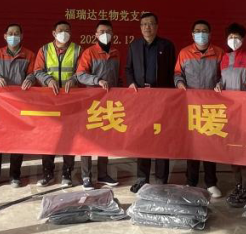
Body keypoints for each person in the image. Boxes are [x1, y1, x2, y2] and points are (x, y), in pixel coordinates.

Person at [125, 12, 176, 192]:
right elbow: (128, 69)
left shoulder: (167, 46)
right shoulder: (134, 46)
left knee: (162, 138)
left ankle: (161, 179)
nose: (147, 27)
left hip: (162, 99)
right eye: (144, 24)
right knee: (143, 138)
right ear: (140, 27)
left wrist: (170, 96)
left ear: (157, 26)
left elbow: (173, 71)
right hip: (141, 100)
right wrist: (131, 83)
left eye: (151, 23)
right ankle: (142, 178)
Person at [174, 20, 224, 198]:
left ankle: (211, 182)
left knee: (210, 144)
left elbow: (224, 75)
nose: (201, 33)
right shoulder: (184, 53)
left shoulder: (218, 53)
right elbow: (177, 73)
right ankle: (191, 181)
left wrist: (220, 84)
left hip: (212, 106)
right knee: (193, 144)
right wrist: (179, 83)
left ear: (210, 34)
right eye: (197, 31)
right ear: (192, 34)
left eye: (204, 30)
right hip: (192, 105)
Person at [73, 20, 122, 188]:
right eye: (101, 31)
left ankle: (102, 174)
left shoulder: (116, 53)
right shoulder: (89, 52)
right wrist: (97, 80)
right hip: (91, 103)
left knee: (104, 139)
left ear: (113, 34)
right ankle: (86, 176)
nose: (105, 34)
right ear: (95, 34)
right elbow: (80, 75)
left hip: (109, 104)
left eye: (108, 31)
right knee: (87, 140)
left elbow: (118, 77)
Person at [31, 21, 80, 187]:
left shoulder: (77, 49)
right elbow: (37, 71)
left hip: (70, 101)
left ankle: (67, 173)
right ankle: (48, 174)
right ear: (54, 33)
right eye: (60, 30)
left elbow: (82, 71)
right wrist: (48, 79)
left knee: (69, 138)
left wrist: (73, 79)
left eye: (67, 30)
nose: (64, 33)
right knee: (48, 138)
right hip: (49, 101)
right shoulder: (44, 50)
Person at [0, 23, 34, 188]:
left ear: (22, 36)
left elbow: (33, 73)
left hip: (20, 104)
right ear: (5, 36)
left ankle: (15, 175)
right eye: (11, 33)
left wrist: (30, 79)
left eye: (17, 33)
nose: (14, 36)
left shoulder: (29, 55)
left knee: (18, 140)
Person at [220, 22, 246, 207]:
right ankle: (237, 185)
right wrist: (218, 85)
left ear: (242, 39)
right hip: (229, 113)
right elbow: (221, 80)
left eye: (237, 37)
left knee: (245, 151)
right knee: (232, 151)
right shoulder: (224, 58)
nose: (233, 40)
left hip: (245, 113)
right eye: (230, 37)